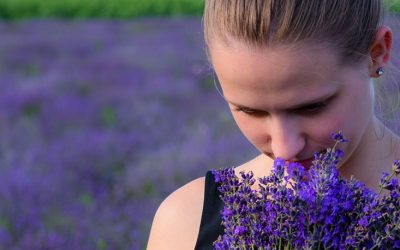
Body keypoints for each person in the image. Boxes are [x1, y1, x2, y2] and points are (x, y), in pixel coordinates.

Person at [147, 0, 400, 249]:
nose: (284, 149)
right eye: (250, 111)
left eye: (311, 107)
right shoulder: (185, 223)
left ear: (377, 53)